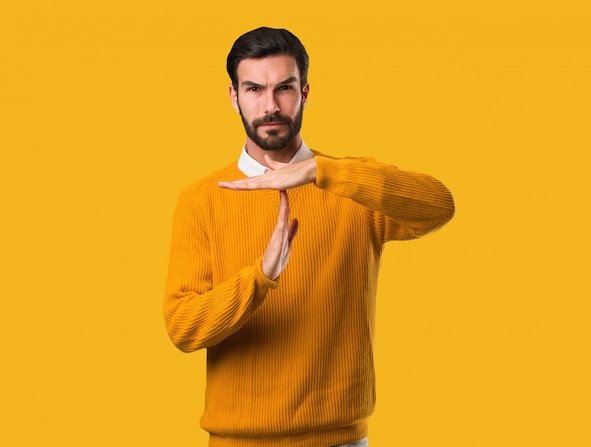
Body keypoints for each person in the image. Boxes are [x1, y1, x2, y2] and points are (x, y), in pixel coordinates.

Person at [164, 27, 455, 447]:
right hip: (236, 441)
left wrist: (323, 172)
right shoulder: (201, 200)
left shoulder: (354, 186)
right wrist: (260, 277)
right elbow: (182, 328)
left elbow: (439, 206)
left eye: (284, 88)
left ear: (304, 91)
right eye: (254, 89)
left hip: (339, 439)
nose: (270, 106)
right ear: (234, 97)